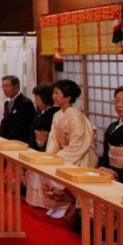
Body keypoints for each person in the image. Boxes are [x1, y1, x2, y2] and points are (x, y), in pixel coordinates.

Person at [42, 79, 98, 218]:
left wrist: (60, 157)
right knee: (47, 169)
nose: (53, 96)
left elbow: (79, 141)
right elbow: (53, 138)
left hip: (80, 154)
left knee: (66, 175)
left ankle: (71, 207)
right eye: (53, 93)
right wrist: (50, 155)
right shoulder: (57, 115)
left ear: (68, 97)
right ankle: (57, 204)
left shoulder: (76, 115)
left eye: (57, 93)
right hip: (65, 152)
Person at [25, 83, 61, 209]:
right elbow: (32, 130)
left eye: (38, 99)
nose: (36, 101)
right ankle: (34, 200)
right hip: (37, 146)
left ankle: (46, 202)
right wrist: (32, 147)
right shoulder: (39, 112)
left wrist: (43, 150)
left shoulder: (56, 114)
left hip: (48, 148)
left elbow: (53, 137)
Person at [0, 75, 35, 144]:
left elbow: (23, 127)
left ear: (16, 87)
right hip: (7, 141)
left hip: (20, 142)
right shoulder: (7, 103)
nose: (4, 89)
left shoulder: (26, 103)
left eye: (7, 86)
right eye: (3, 86)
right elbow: (5, 123)